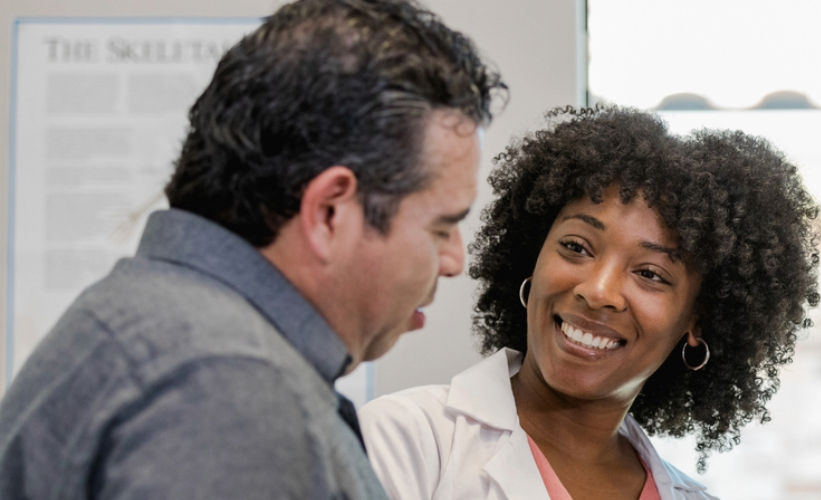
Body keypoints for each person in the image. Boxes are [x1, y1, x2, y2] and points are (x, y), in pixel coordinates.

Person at [0, 0, 505, 498]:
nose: (455, 261)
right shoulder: (235, 392)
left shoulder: (150, 318)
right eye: (441, 228)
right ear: (330, 212)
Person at [358, 106, 821, 500]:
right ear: (533, 256)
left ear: (698, 320)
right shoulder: (404, 442)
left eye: (650, 274)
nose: (597, 290)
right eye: (577, 247)